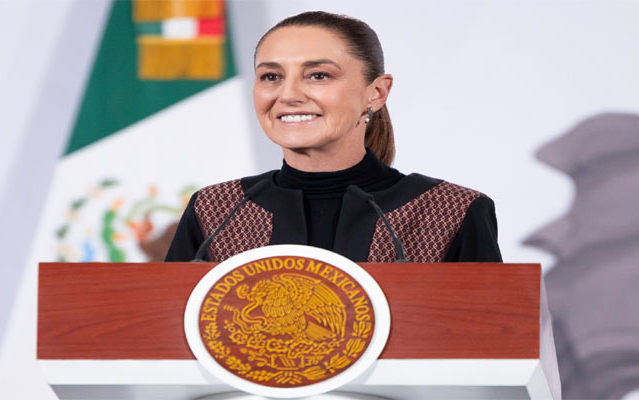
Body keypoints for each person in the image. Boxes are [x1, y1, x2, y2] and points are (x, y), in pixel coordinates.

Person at [165, 11, 502, 263]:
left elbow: (490, 336)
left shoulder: (451, 211)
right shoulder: (215, 211)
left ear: (376, 92)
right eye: (271, 76)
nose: (288, 95)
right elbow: (167, 333)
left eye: (318, 75)